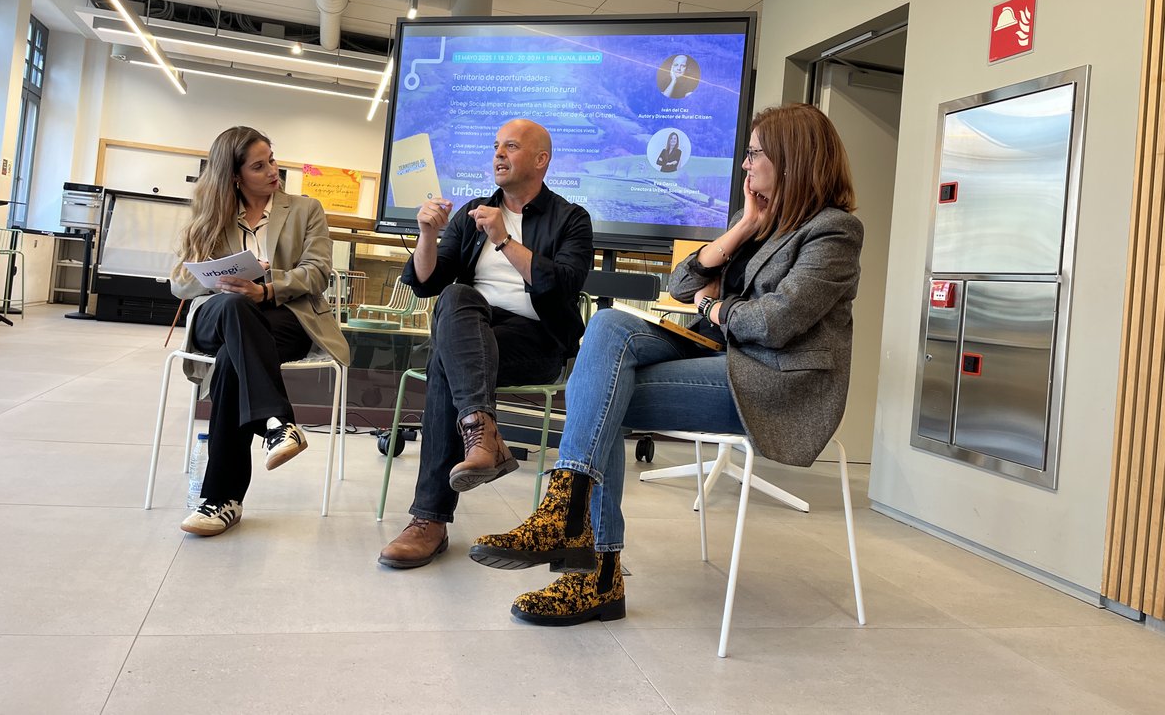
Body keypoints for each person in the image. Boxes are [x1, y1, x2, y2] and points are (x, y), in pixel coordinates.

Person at [468, 103, 862, 625]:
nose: (746, 165)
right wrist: (745, 225)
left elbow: (775, 323)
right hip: (718, 352)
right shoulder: (757, 222)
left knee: (603, 395)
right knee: (608, 327)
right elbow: (679, 284)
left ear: (792, 159)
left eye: (754, 154)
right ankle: (569, 520)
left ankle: (589, 564)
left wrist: (713, 307)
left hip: (772, 379)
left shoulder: (834, 232)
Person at [378, 119, 594, 569]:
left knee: (446, 362)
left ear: (541, 160)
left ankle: (429, 521)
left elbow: (562, 286)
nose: (498, 154)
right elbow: (427, 282)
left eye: (510, 147)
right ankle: (482, 432)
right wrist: (427, 234)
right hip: (474, 331)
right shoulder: (473, 212)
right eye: (496, 146)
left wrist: (505, 240)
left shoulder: (571, 218)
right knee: (456, 297)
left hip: (537, 340)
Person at [170, 126, 349, 537]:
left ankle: (221, 500)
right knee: (234, 307)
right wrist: (220, 279)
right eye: (259, 166)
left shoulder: (305, 209)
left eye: (272, 160)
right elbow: (179, 282)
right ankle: (277, 421)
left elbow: (318, 272)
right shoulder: (211, 216)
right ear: (235, 176)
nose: (272, 171)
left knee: (232, 360)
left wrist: (266, 286)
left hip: (284, 315)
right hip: (219, 315)